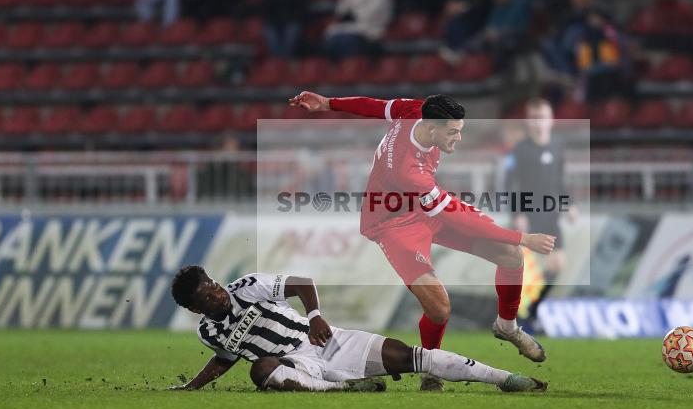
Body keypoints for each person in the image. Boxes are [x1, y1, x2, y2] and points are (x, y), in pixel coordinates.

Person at [288, 91, 555, 391]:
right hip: (392, 223)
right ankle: (432, 369)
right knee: (440, 308)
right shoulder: (408, 170)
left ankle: (507, 326)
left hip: (421, 209)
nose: (458, 138)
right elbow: (459, 216)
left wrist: (328, 103)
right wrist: (523, 236)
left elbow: (376, 107)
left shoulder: (417, 109)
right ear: (431, 129)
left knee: (510, 254)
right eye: (453, 132)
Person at [168, 266, 547, 393]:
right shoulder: (208, 332)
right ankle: (342, 388)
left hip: (325, 341)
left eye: (214, 285)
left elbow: (300, 282)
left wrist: (315, 314)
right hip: (294, 365)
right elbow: (224, 359)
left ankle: (504, 378)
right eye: (207, 295)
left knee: (413, 357)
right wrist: (191, 387)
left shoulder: (246, 287)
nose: (218, 293)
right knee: (260, 369)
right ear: (194, 307)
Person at [504, 98, 568, 334]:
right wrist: (518, 212)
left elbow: (560, 181)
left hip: (551, 216)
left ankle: (532, 312)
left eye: (542, 117)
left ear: (551, 120)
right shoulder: (520, 150)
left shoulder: (557, 147)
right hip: (528, 216)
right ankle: (511, 316)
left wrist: (569, 205)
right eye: (534, 118)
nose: (538, 123)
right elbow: (510, 184)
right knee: (522, 269)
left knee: (557, 264)